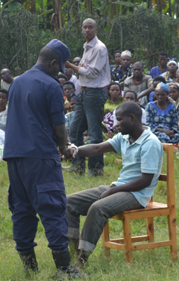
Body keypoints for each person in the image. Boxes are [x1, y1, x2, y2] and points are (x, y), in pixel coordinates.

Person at [3, 39, 84, 280]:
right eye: (58, 68)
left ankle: (30, 269)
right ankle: (64, 269)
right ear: (52, 63)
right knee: (52, 206)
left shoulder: (16, 83)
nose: (58, 73)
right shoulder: (50, 85)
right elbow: (59, 128)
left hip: (14, 156)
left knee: (22, 208)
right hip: (39, 156)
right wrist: (64, 147)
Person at [65, 101, 163, 268]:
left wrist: (113, 191)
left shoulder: (150, 143)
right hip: (119, 187)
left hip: (137, 194)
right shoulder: (125, 137)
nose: (116, 124)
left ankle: (82, 260)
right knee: (69, 202)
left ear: (132, 118)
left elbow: (145, 180)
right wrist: (77, 149)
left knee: (98, 208)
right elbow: (96, 148)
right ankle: (73, 252)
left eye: (119, 120)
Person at [65, 18, 111, 176]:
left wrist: (71, 66)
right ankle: (78, 166)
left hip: (95, 92)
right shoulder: (87, 47)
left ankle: (95, 169)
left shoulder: (99, 48)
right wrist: (78, 68)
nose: (87, 30)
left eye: (90, 27)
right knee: (75, 130)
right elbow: (85, 69)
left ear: (96, 29)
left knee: (94, 133)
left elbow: (92, 72)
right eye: (84, 27)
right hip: (84, 93)